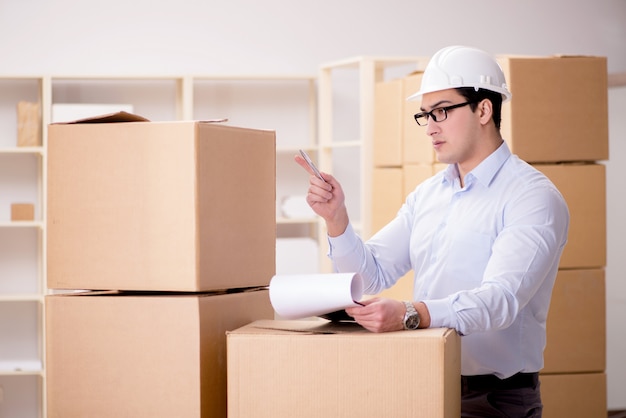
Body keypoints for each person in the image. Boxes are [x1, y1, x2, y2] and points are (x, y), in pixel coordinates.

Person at [295, 45, 569, 417]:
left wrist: (412, 313)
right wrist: (337, 220)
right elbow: (370, 275)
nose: (431, 127)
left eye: (441, 111)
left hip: (494, 399)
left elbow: (500, 302)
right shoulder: (428, 196)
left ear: (484, 109)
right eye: (425, 115)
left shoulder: (531, 197)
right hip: (423, 378)